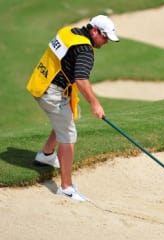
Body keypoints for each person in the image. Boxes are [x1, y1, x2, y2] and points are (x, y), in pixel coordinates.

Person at [26, 15, 119, 202]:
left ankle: (46, 155)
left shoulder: (69, 31)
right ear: (94, 31)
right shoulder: (85, 50)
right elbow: (81, 80)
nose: (107, 42)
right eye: (105, 37)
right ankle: (67, 188)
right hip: (51, 92)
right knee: (68, 135)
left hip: (42, 81)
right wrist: (95, 103)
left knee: (69, 116)